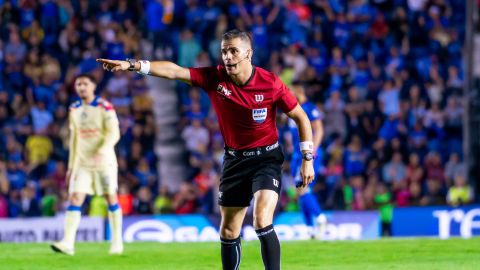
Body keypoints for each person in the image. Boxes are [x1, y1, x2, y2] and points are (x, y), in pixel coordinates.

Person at [97, 29, 314, 270]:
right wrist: (133, 65)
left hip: (266, 159)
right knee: (229, 230)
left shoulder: (270, 83)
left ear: (248, 54)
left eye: (233, 51)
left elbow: (301, 117)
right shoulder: (215, 78)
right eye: (224, 52)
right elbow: (174, 71)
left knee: (261, 219)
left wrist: (307, 158)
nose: (228, 57)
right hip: (234, 161)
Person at [51, 74, 123, 256]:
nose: (82, 87)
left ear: (93, 86)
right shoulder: (74, 108)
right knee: (75, 198)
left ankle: (116, 242)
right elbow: (75, 139)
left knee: (111, 198)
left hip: (104, 161)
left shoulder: (104, 106)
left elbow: (114, 133)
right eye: (78, 84)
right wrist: (71, 167)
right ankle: (67, 243)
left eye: (85, 84)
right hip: (83, 163)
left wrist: (102, 150)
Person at [288, 82, 327, 239]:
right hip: (296, 155)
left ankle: (320, 218)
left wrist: (312, 150)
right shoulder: (292, 109)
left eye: (290, 90)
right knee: (300, 190)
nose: (288, 93)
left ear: (298, 91)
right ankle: (310, 228)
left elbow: (319, 129)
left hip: (307, 154)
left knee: (303, 188)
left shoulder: (309, 108)